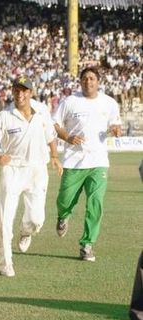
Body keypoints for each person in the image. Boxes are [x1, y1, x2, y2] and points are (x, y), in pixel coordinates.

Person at [0, 75, 62, 277]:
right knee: (4, 217)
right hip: (13, 169)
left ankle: (26, 231)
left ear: (30, 92)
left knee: (37, 219)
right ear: (13, 92)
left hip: (37, 169)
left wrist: (54, 156)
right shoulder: (4, 116)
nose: (20, 94)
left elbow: (51, 136)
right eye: (17, 90)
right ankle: (5, 262)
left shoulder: (42, 111)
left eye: (24, 90)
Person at [53, 66, 122, 262]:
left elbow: (115, 124)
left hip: (99, 162)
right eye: (85, 79)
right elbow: (54, 123)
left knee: (95, 204)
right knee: (64, 200)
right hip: (74, 162)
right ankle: (63, 216)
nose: (88, 82)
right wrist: (67, 137)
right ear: (80, 81)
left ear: (98, 81)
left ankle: (87, 244)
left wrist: (116, 129)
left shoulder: (108, 103)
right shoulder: (70, 101)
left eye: (92, 78)